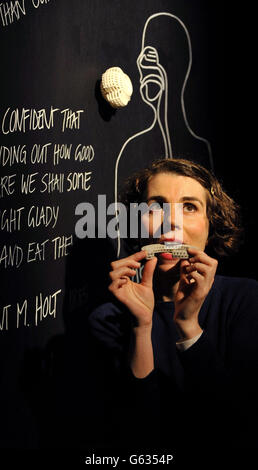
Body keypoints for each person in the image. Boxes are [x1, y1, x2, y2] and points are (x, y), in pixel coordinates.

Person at [88, 158, 258, 462]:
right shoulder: (108, 321)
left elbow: (238, 426)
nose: (171, 222)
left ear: (211, 225)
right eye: (156, 207)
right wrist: (141, 329)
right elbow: (139, 437)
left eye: (189, 207)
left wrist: (188, 325)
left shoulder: (246, 300)